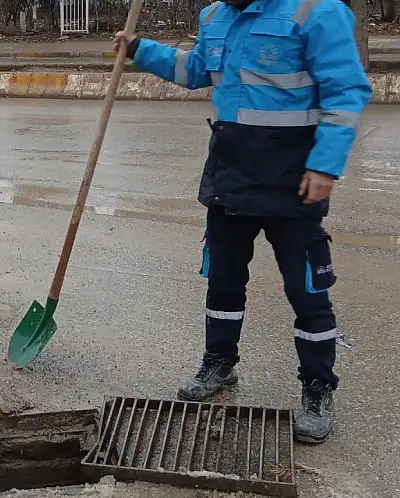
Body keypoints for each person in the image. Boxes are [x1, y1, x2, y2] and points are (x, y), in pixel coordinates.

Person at [113, 0, 371, 444]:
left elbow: (346, 92)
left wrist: (326, 167)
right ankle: (219, 362)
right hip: (230, 176)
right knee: (223, 282)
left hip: (295, 180)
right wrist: (140, 48)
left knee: (307, 291)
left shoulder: (316, 12)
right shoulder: (215, 17)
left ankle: (317, 385)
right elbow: (194, 70)